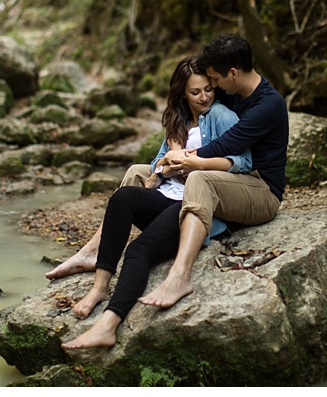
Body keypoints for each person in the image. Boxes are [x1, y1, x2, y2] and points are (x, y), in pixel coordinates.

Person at [56, 57, 252, 349]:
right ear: (182, 94)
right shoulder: (178, 119)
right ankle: (99, 288)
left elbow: (244, 162)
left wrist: (196, 164)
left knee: (138, 251)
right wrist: (166, 167)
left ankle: (108, 325)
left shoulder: (222, 116)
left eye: (208, 89)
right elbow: (157, 162)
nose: (204, 97)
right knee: (122, 198)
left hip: (192, 209)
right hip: (166, 195)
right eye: (195, 92)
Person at [138, 33, 289, 309]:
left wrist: (183, 160)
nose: (211, 89)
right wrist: (173, 152)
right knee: (139, 171)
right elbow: (185, 107)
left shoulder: (268, 105)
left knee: (199, 177)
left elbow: (226, 144)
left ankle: (180, 274)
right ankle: (97, 249)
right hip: (230, 179)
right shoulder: (230, 92)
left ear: (232, 73)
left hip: (261, 190)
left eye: (215, 81)